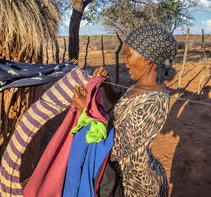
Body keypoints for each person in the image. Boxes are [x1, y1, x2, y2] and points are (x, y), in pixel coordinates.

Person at [72, 23, 177, 197]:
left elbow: (115, 148)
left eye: (129, 55)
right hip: (119, 179)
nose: (125, 61)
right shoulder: (142, 86)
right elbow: (119, 101)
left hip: (136, 186)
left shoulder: (155, 100)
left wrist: (87, 109)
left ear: (147, 58)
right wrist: (107, 85)